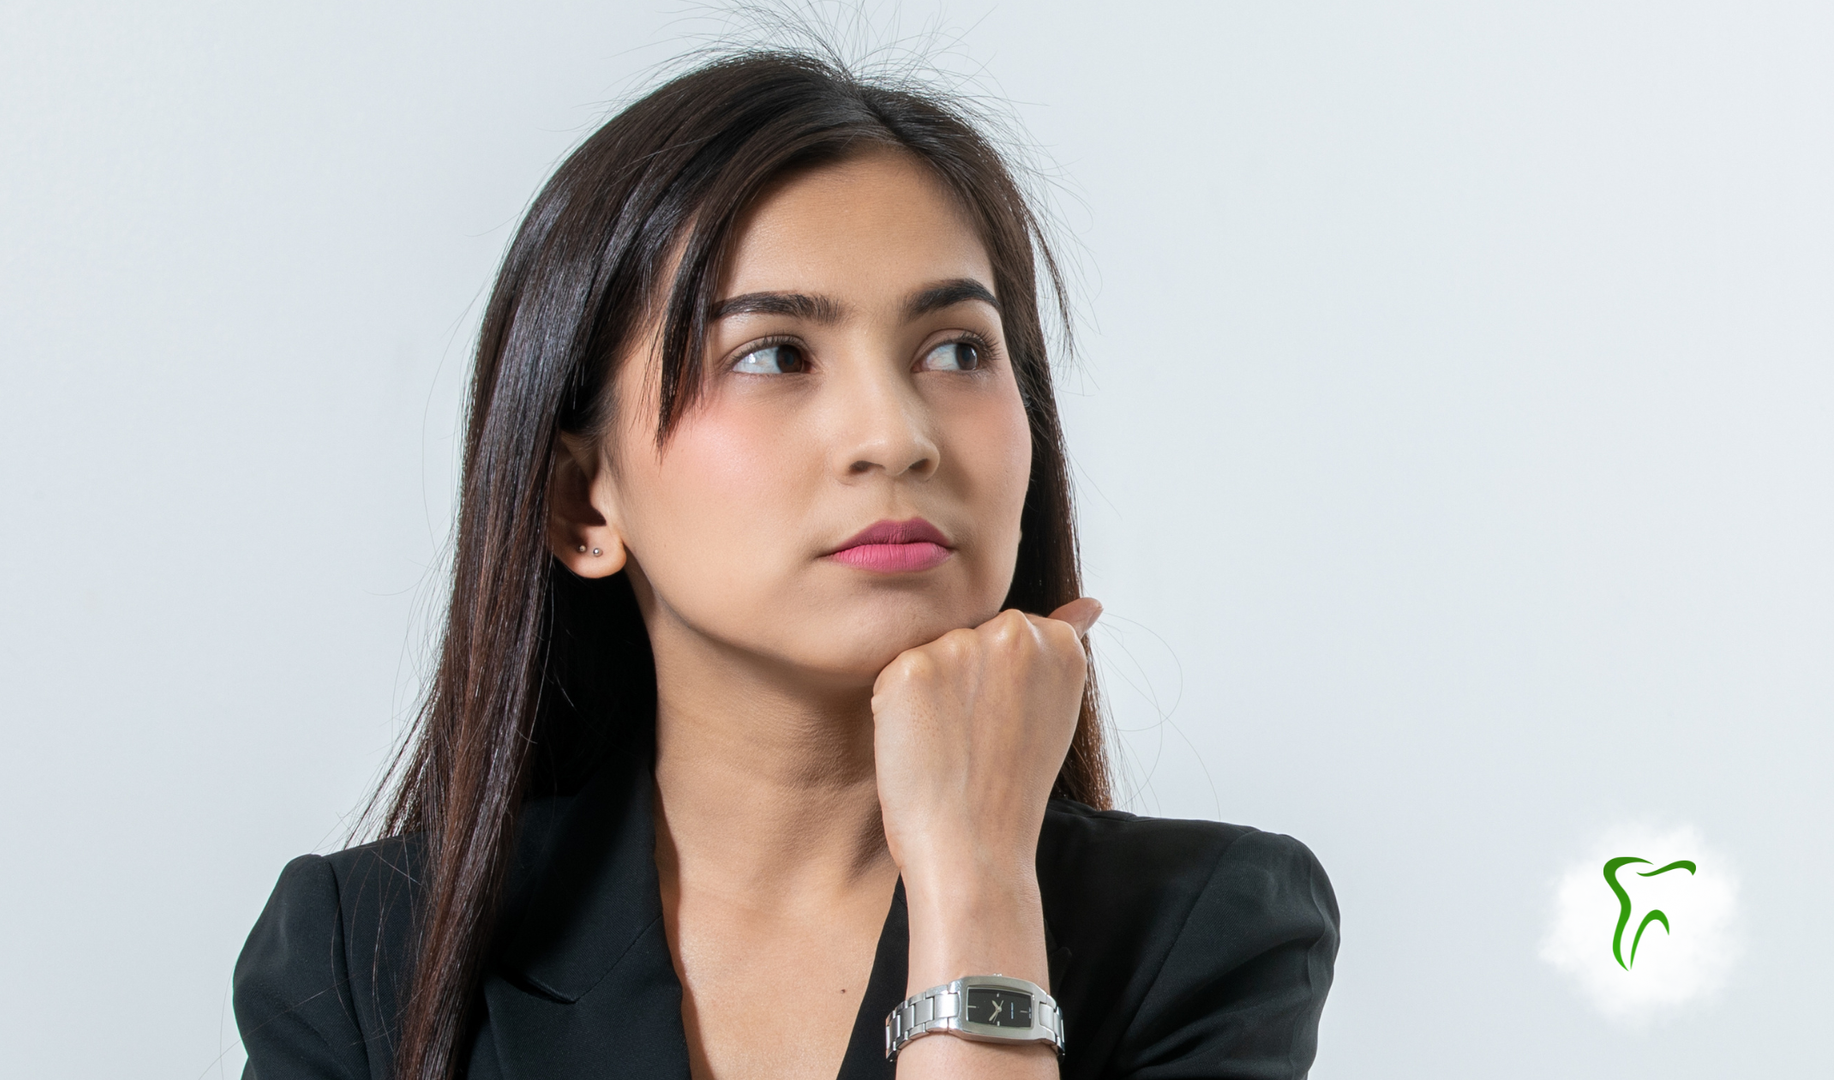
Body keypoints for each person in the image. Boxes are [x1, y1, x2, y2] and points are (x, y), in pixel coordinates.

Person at [232, 47, 1338, 1080]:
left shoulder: (1205, 933)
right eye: (774, 355)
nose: (894, 435)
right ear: (582, 504)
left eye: (957, 348)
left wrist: (976, 880)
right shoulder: (365, 957)